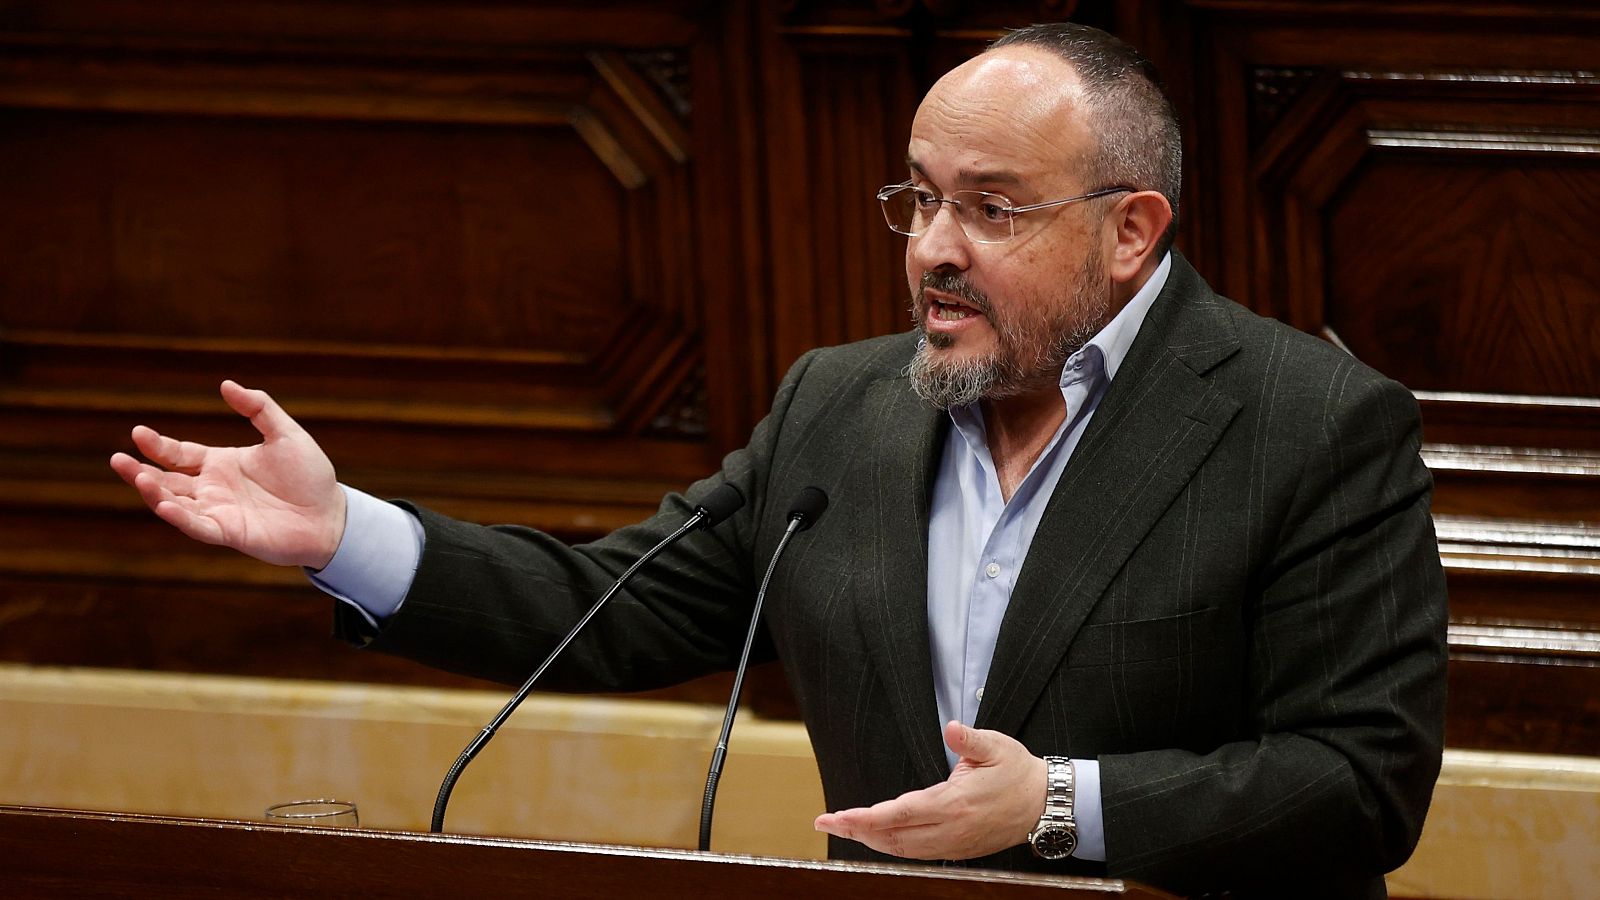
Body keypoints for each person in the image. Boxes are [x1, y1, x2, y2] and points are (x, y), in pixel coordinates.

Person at [110, 23, 1446, 898]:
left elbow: (1358, 782)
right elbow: (610, 613)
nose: (932, 246)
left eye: (989, 209)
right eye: (919, 198)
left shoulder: (1307, 420)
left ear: (1132, 232)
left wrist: (1055, 809)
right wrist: (342, 534)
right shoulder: (840, 407)